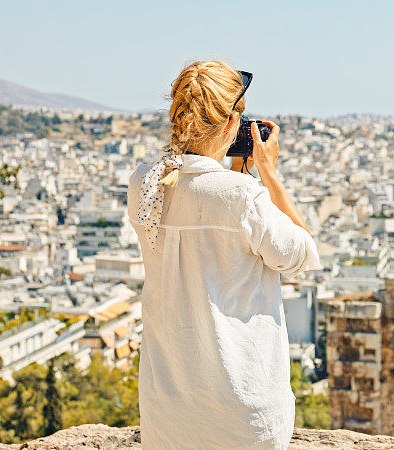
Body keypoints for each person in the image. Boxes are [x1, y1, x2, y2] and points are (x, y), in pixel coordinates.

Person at [127, 60, 321, 449]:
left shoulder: (143, 184)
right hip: (241, 406)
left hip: (169, 406)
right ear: (232, 122)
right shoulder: (242, 195)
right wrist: (267, 173)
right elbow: (303, 254)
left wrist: (237, 171)